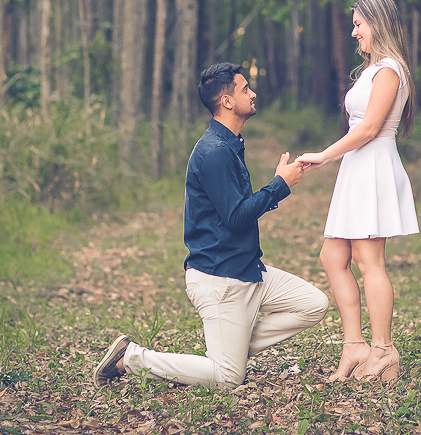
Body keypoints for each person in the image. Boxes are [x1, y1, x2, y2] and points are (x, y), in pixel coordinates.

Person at [94, 62, 329, 389]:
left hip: (248, 271)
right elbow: (236, 217)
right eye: (245, 89)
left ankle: (231, 347)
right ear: (227, 101)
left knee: (314, 304)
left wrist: (279, 184)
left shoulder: (230, 143)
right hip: (221, 279)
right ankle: (131, 357)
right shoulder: (215, 151)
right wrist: (280, 185)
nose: (253, 93)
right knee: (227, 379)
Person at [296, 0, 418, 383]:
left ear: (377, 24)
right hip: (357, 167)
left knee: (369, 261)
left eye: (359, 25)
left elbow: (368, 129)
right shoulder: (372, 69)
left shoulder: (390, 69)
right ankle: (354, 346)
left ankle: (383, 350)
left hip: (373, 165)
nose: (354, 33)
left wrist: (324, 155)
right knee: (333, 256)